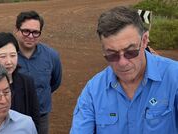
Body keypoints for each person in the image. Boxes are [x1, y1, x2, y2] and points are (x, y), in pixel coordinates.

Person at [70, 6, 178, 134]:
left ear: (144, 41)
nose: (122, 63)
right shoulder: (93, 91)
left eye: (130, 52)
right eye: (112, 55)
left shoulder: (174, 77)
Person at [14, 10, 62, 134]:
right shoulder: (8, 57)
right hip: (13, 116)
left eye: (35, 32)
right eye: (26, 31)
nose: (30, 36)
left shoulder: (52, 56)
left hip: (41, 116)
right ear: (16, 30)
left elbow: (55, 82)